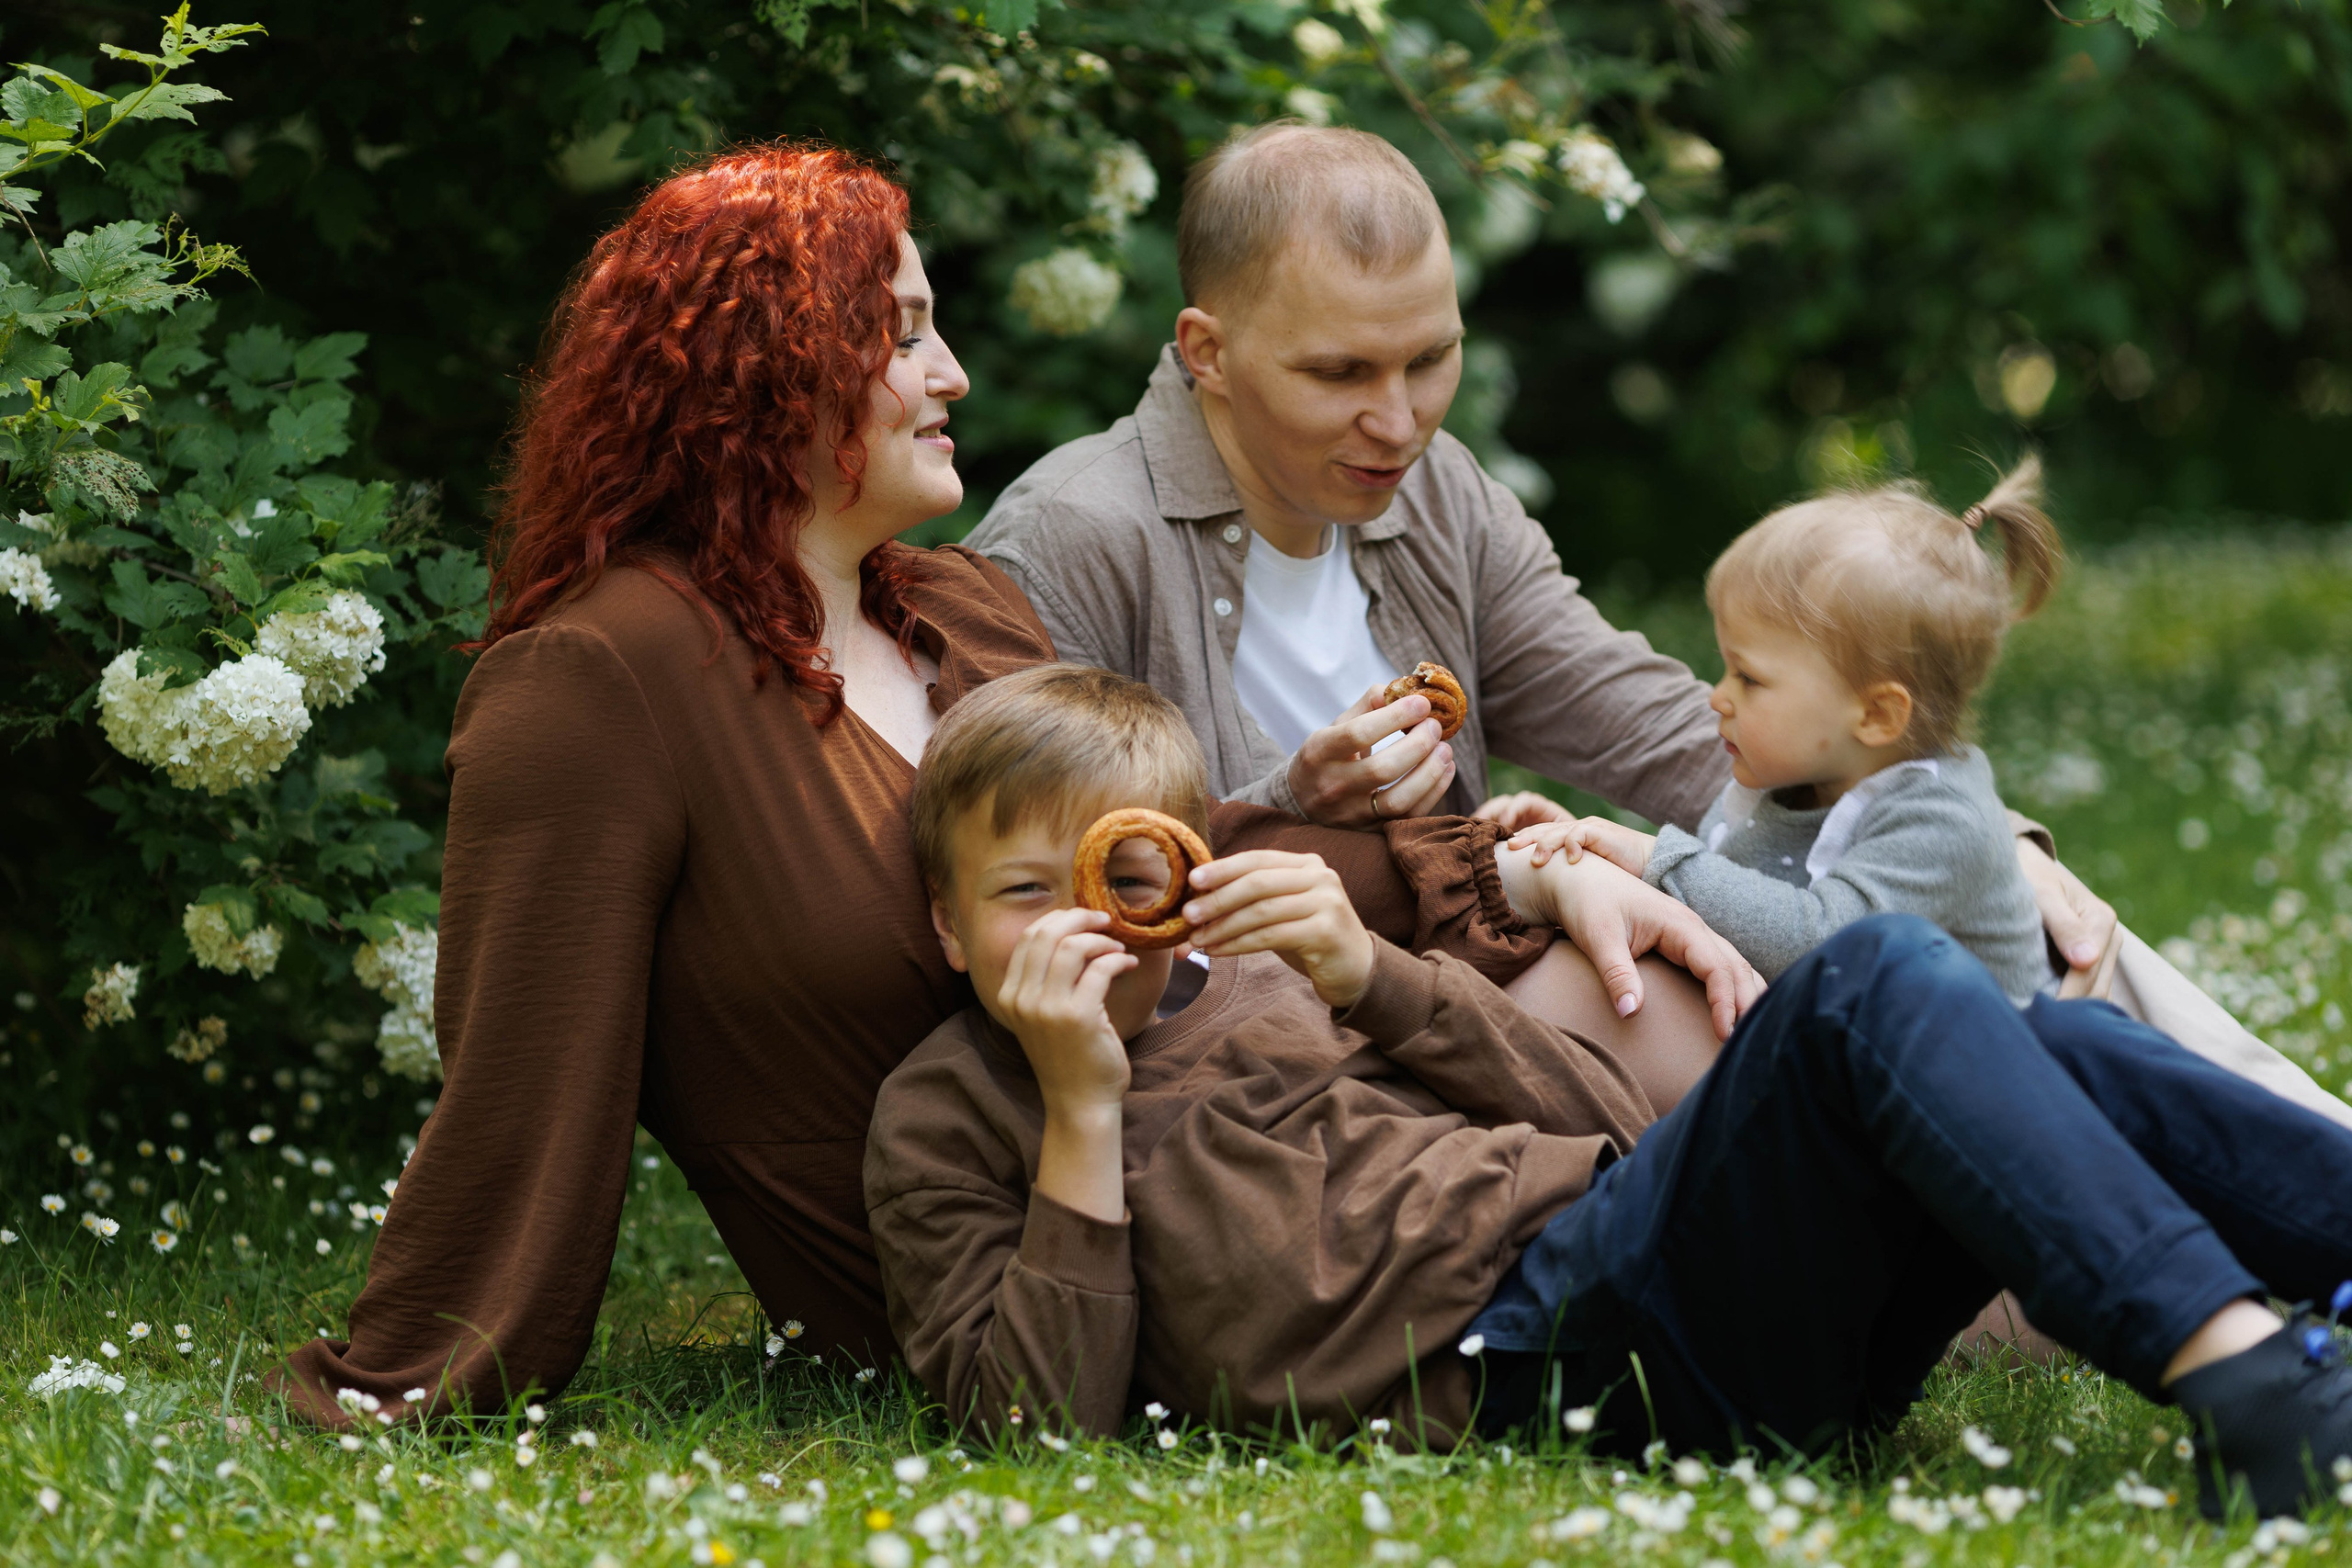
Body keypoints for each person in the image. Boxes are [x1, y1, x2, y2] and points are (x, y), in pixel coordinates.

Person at [275, 144, 1755, 1426]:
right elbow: (524, 1072)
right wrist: (419, 1370)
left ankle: (1934, 1277)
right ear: (763, 363)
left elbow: (1200, 849)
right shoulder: (607, 676)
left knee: (1659, 998)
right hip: (1025, 1274)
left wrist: (1513, 870)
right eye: (902, 334)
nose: (953, 375)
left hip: (1253, 1161)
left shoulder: (955, 609)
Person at [868, 663, 2352, 1519]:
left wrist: (1369, 976)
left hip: (1623, 1256)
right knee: (1875, 976)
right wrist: (1083, 1109)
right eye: (1015, 893)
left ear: (1176, 869)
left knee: (2046, 1041)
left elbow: (1601, 1114)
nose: (1080, 921)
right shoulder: (947, 1111)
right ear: (944, 926)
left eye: (1123, 876)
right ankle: (2249, 1380)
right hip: (1527, 1363)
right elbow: (1032, 1427)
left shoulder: (1264, 973)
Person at [963, 120, 2124, 1012]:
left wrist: (1968, 839)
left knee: (2054, 945)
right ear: (1206, 353)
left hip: (1475, 976)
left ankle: (2286, 1154)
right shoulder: (1072, 537)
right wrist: (1287, 808)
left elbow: (1640, 720)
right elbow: (1040, 882)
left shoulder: (1438, 487)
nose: (1399, 420)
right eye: (1340, 374)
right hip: (1284, 1043)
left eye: (1432, 358)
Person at [1517, 457, 2060, 1002]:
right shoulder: (1791, 776)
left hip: (1981, 1075)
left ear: (1876, 716)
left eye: (1749, 678)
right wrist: (1589, 860)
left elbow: (1822, 943)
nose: (1718, 696)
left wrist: (1653, 858)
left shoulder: (1943, 821)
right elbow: (1724, 903)